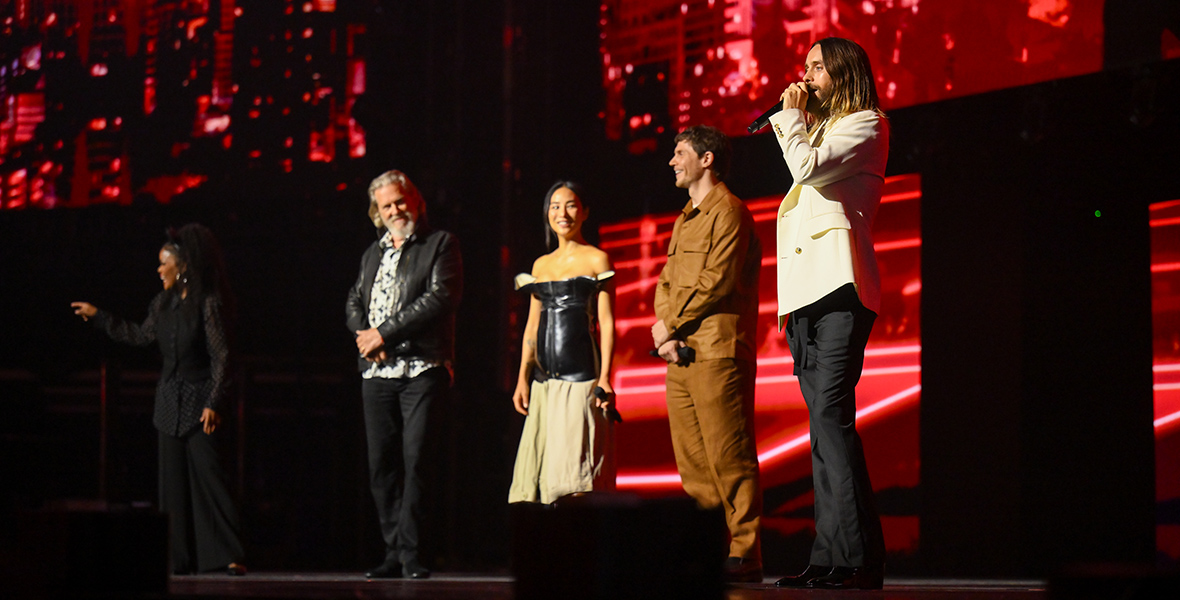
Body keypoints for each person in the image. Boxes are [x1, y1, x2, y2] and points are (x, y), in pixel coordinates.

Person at [766, 37, 889, 591]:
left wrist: (790, 120)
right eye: (807, 66)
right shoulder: (819, 128)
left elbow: (807, 169)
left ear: (841, 72)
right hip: (805, 297)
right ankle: (828, 554)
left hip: (840, 289)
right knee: (822, 430)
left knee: (833, 422)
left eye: (817, 66)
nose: (807, 74)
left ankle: (858, 557)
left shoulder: (865, 124)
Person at [71, 224, 246, 576]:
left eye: (163, 264)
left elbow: (221, 356)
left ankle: (227, 554)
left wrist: (215, 401)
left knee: (209, 477)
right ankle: (176, 558)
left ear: (181, 266)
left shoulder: (207, 303)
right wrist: (100, 317)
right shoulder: (162, 304)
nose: (158, 270)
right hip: (168, 404)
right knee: (171, 485)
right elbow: (140, 335)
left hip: (200, 401)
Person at [654, 125, 763, 583]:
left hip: (718, 351)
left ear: (707, 159)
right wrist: (666, 335)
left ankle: (746, 551)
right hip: (681, 353)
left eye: (680, 153)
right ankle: (706, 550)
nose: (673, 161)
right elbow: (665, 282)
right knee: (693, 463)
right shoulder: (685, 218)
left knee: (728, 454)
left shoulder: (730, 212)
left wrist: (670, 324)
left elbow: (716, 280)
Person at [346, 170, 462, 580]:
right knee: (381, 465)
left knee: (417, 462)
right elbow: (354, 300)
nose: (395, 210)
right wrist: (364, 337)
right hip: (376, 371)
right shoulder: (371, 253)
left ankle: (414, 554)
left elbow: (439, 298)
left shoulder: (440, 244)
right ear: (376, 211)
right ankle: (393, 551)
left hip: (422, 368)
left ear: (416, 201)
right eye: (386, 205)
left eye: (400, 201)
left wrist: (383, 335)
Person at [509, 181, 616, 504]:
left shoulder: (597, 259)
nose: (562, 213)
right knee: (535, 479)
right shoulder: (541, 266)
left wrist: (606, 378)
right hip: (544, 383)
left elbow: (608, 323)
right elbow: (532, 326)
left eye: (570, 205)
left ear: (584, 212)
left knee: (575, 475)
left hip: (580, 379)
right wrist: (522, 379)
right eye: (555, 206)